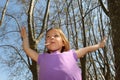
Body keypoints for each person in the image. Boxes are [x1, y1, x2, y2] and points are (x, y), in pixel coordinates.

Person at [20, 27, 107, 80]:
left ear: (63, 42)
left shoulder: (71, 54)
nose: (52, 38)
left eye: (56, 35)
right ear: (46, 43)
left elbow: (87, 49)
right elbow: (27, 49)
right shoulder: (42, 57)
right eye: (48, 37)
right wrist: (25, 38)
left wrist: (99, 45)